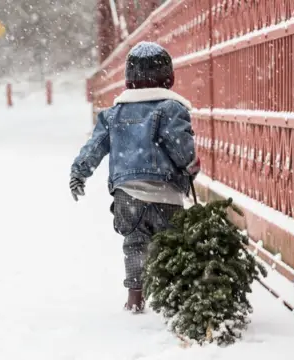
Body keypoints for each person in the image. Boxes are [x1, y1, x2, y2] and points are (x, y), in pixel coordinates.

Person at [69, 41, 199, 313]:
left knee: (135, 244)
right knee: (169, 246)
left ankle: (135, 298)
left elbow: (95, 146)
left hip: (128, 194)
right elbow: (180, 147)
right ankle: (169, 298)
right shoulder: (171, 109)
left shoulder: (113, 115)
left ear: (129, 81)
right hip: (166, 193)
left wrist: (79, 171)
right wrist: (190, 165)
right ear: (168, 78)